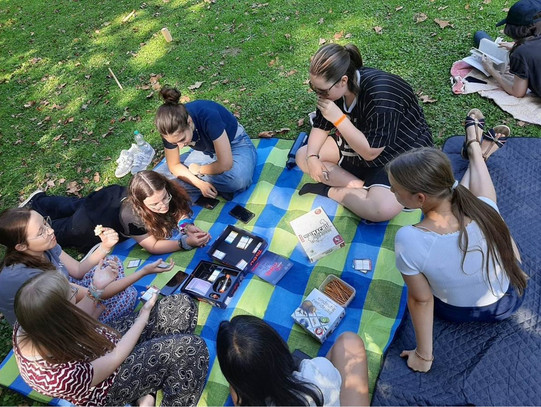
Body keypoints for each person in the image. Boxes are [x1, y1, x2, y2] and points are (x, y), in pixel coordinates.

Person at [387, 109, 528, 373]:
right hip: (510, 299)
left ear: (419, 199)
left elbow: (422, 300)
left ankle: (476, 149)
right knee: (492, 214)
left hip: (458, 311)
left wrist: (423, 356)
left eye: (395, 190)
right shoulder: (484, 207)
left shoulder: (409, 238)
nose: (392, 192)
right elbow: (477, 200)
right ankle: (476, 151)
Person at [13, 271, 209, 406]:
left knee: (180, 304)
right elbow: (115, 357)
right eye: (72, 293)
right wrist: (143, 316)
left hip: (104, 344)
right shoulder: (60, 377)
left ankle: (146, 393)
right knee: (191, 348)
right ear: (63, 316)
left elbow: (84, 316)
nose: (77, 292)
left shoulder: (30, 320)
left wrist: (97, 287)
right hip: (109, 385)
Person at [295, 43, 433, 222]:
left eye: (321, 90)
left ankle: (330, 190)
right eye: (314, 88)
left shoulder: (381, 95)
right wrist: (312, 157)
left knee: (381, 210)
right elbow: (321, 126)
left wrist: (338, 119)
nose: (318, 95)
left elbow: (370, 152)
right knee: (302, 155)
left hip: (400, 153)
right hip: (356, 144)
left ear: (343, 80)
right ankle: (361, 187)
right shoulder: (333, 92)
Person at [0, 207, 173, 325]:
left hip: (66, 295)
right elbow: (100, 294)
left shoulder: (45, 246)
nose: (50, 230)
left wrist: (105, 246)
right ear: (21, 246)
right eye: (41, 232)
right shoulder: (31, 277)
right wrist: (143, 272)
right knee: (127, 297)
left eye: (45, 223)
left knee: (111, 263)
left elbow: (77, 271)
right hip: (56, 325)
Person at [25, 170, 210, 254]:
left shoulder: (162, 190)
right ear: (139, 201)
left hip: (105, 198)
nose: (163, 206)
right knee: (62, 229)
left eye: (165, 198)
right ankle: (28, 219)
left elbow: (177, 210)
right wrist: (184, 243)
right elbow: (152, 246)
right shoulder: (132, 215)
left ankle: (38, 200)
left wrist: (186, 225)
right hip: (91, 222)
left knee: (75, 205)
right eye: (155, 204)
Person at [216, 315, 369, 406]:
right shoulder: (318, 372)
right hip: (320, 388)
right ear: (280, 346)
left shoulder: (243, 398)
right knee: (350, 341)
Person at [154, 87, 257, 202]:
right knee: (157, 178)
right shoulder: (168, 128)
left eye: (182, 139)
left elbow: (225, 164)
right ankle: (215, 187)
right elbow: (174, 165)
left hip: (236, 144)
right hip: (205, 152)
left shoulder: (207, 115)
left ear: (189, 122)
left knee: (237, 180)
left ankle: (179, 189)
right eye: (174, 143)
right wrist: (200, 184)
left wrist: (199, 169)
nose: (180, 146)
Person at [479, 0, 541, 97]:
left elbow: (518, 92)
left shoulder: (521, 53)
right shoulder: (523, 51)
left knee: (479, 35)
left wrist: (492, 70)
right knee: (479, 35)